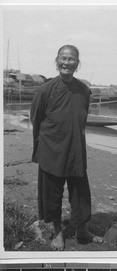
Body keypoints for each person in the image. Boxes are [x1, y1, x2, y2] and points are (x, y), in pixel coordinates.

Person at [30, 45, 103, 251]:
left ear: (77, 64)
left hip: (76, 150)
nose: (66, 62)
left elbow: (81, 119)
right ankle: (58, 232)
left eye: (71, 59)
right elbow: (36, 119)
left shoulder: (84, 90)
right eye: (63, 58)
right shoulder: (46, 89)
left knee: (80, 192)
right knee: (52, 193)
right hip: (51, 149)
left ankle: (82, 230)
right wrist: (40, 149)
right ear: (57, 61)